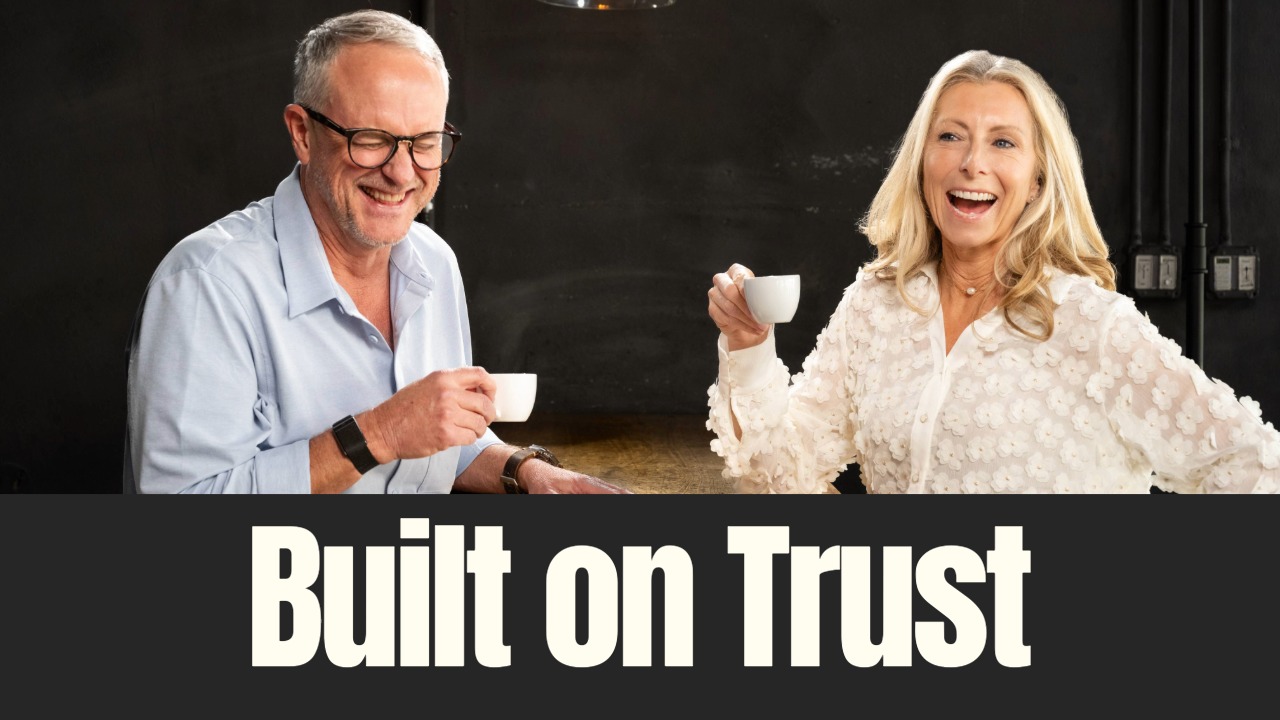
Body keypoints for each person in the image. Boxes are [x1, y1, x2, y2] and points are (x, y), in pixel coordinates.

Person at [705, 49, 1280, 494]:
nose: (972, 162)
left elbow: (1253, 466)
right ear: (922, 162)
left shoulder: (1091, 325)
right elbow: (781, 471)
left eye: (1003, 142)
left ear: (1036, 181)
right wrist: (749, 345)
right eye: (950, 136)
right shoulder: (877, 304)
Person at [126, 9, 628, 495]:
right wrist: (379, 433)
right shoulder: (206, 285)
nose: (402, 173)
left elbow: (434, 442)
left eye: (425, 141)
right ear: (302, 132)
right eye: (372, 139)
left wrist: (526, 472)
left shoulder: (433, 260)